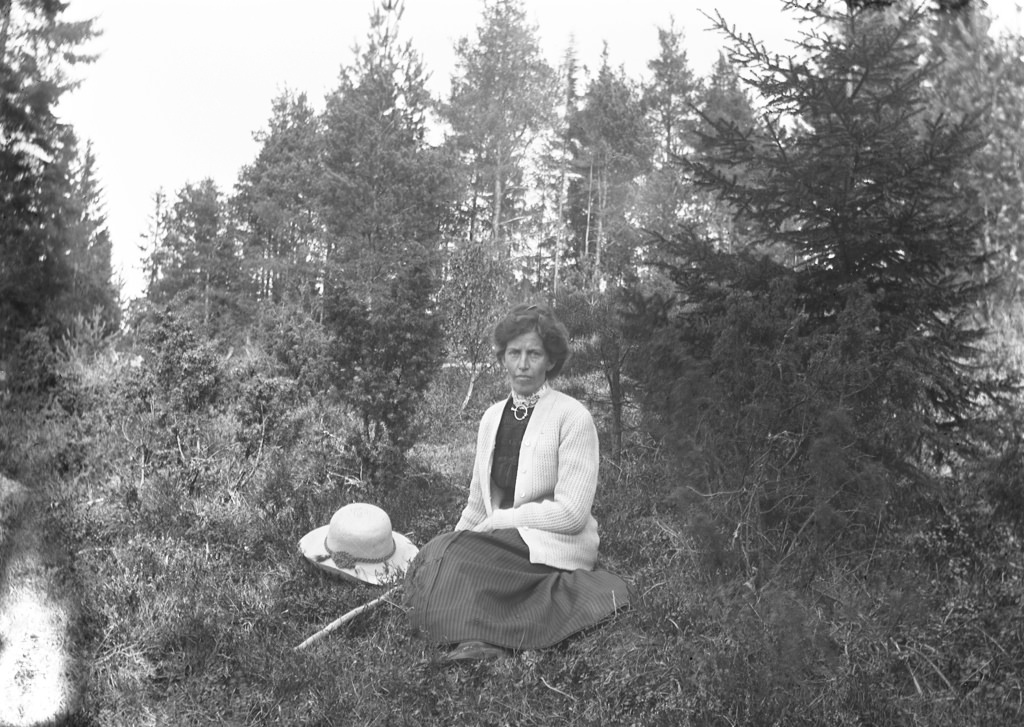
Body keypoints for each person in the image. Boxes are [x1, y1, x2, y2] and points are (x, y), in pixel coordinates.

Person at [404, 303, 629, 660]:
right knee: (438, 553)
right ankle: (477, 636)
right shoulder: (491, 418)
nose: (523, 364)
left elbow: (572, 514)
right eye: (514, 353)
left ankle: (483, 640)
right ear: (503, 359)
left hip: (552, 541)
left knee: (463, 560)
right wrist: (451, 542)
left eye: (534, 354)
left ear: (551, 361)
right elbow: (478, 506)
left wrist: (501, 522)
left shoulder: (573, 417)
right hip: (501, 538)